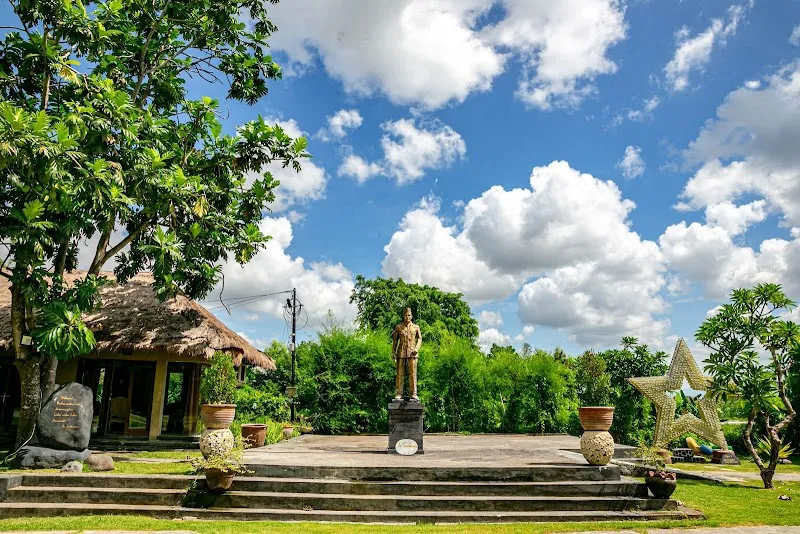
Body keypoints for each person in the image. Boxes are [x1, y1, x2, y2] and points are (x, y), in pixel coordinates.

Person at [391, 307, 422, 401]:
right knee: (400, 374)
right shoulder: (398, 327)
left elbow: (419, 339)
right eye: (405, 315)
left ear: (411, 316)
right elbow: (395, 340)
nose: (407, 317)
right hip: (401, 352)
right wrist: (393, 352)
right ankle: (399, 393)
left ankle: (413, 393)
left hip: (412, 353)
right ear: (403, 316)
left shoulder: (416, 327)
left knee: (413, 373)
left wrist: (417, 348)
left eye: (409, 315)